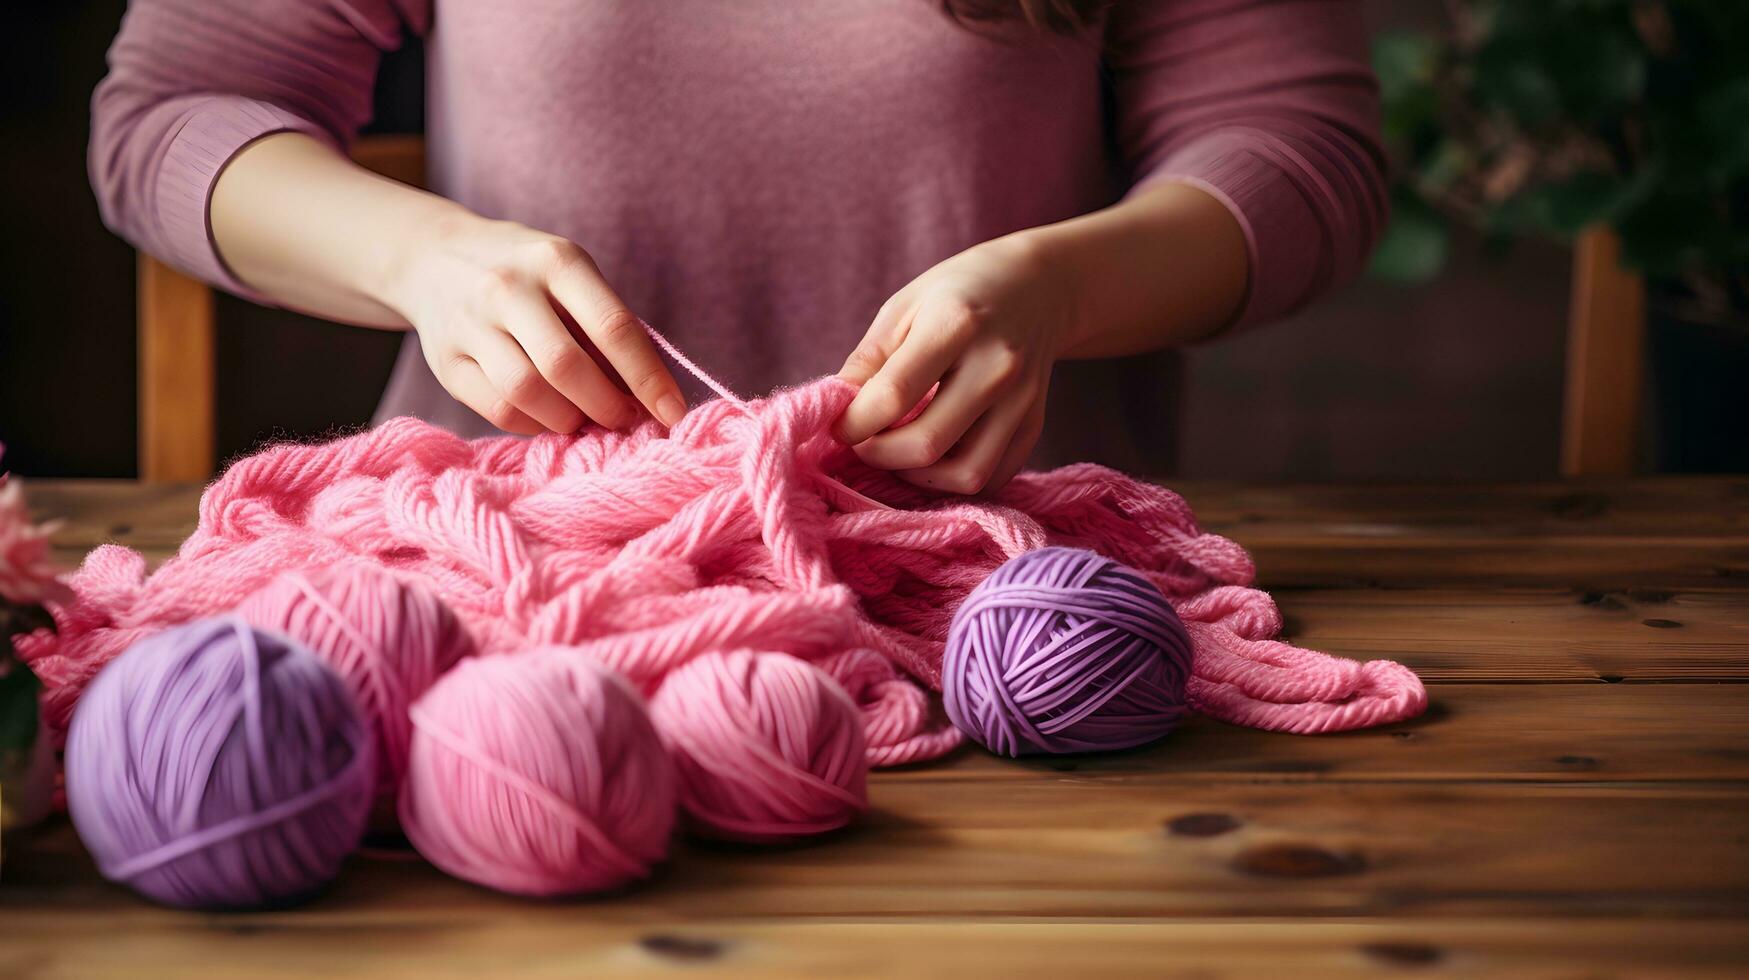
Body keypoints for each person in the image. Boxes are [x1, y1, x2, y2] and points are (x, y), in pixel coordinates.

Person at [90, 0, 1384, 494]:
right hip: (516, 605)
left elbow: (1296, 152)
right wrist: (420, 258)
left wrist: (1057, 288)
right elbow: (167, 117)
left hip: (1013, 613)